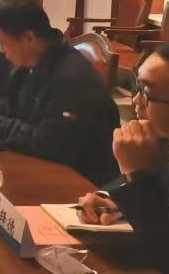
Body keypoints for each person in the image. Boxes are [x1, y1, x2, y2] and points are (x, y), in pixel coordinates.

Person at [0, 0, 119, 185]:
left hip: (78, 181)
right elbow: (19, 107)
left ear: (28, 38)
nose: (1, 50)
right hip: (40, 163)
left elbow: (51, 144)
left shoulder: (70, 78)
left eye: (2, 42)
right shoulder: (34, 60)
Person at [78, 45, 169, 271]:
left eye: (146, 92)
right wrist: (112, 199)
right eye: (137, 88)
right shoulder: (161, 140)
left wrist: (136, 176)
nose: (136, 100)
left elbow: (161, 255)